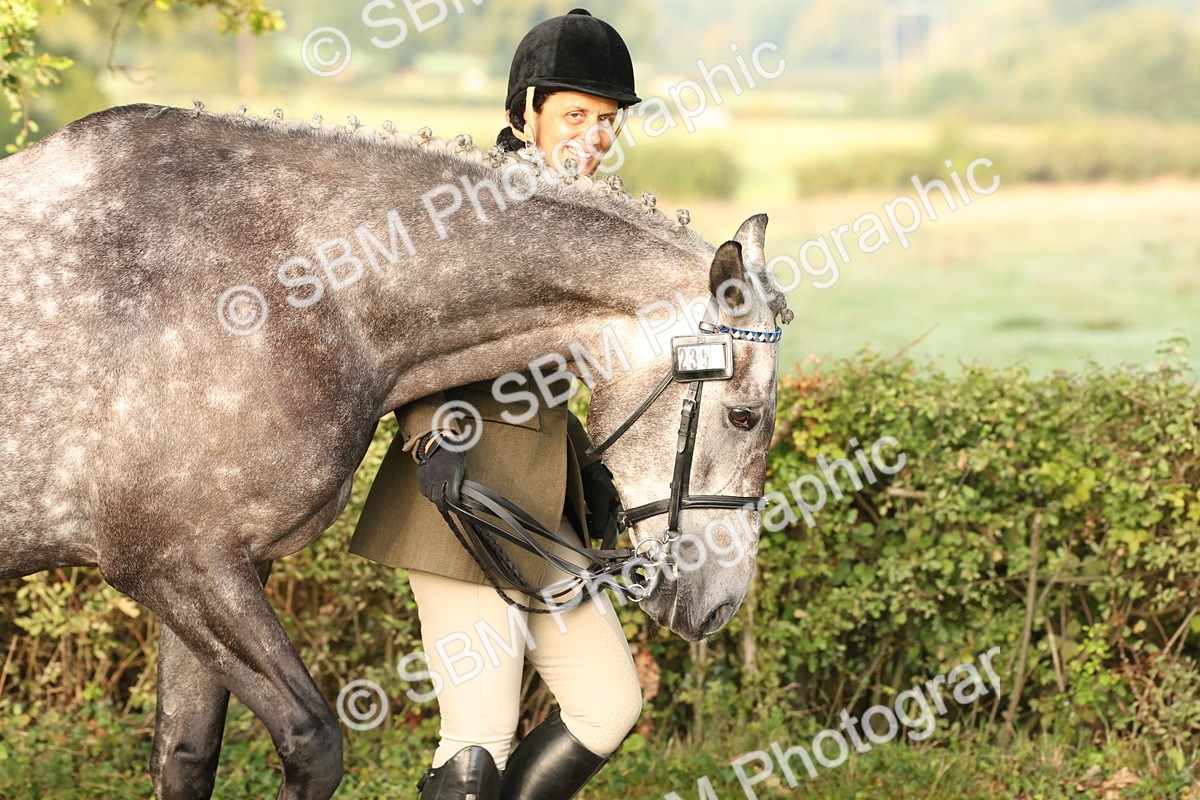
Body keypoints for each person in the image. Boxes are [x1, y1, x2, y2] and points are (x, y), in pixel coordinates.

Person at [349, 9, 645, 799]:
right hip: (459, 491)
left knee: (608, 704)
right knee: (478, 743)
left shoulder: (580, 219)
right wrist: (428, 431)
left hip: (541, 514)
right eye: (575, 114)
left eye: (607, 120)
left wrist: (591, 469)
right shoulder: (469, 209)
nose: (594, 135)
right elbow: (407, 329)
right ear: (526, 110)